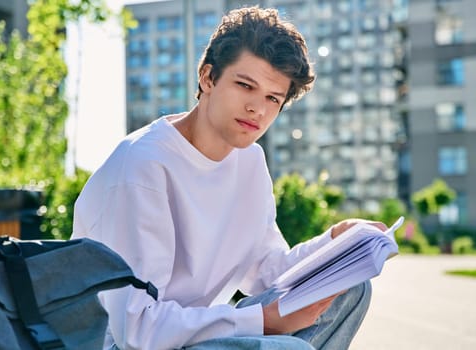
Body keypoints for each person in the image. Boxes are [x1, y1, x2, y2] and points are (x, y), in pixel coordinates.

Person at [71, 6, 387, 350]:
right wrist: (263, 322)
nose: (257, 109)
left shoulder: (249, 159)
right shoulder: (142, 165)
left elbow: (265, 269)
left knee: (347, 290)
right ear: (208, 78)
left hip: (191, 333)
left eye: (272, 98)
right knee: (289, 348)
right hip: (119, 343)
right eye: (244, 86)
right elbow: (137, 329)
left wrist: (335, 243)